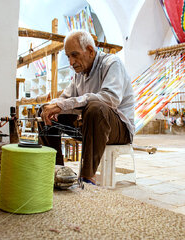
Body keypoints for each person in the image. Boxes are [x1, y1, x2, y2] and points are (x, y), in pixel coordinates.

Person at [39, 29, 135, 184]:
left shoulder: (112, 63)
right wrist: (52, 106)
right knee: (46, 111)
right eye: (68, 56)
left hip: (119, 129)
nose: (71, 62)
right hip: (91, 127)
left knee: (96, 108)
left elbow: (110, 99)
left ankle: (87, 177)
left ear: (90, 50)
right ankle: (56, 170)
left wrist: (64, 104)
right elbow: (65, 99)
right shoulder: (79, 73)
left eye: (75, 55)